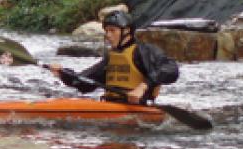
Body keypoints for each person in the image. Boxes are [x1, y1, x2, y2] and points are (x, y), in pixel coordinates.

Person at [49, 10, 179, 104]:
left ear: (126, 31)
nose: (108, 35)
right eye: (106, 31)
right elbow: (84, 82)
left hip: (139, 108)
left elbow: (171, 70)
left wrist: (142, 87)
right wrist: (63, 74)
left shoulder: (144, 51)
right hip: (111, 104)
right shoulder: (111, 57)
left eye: (112, 30)